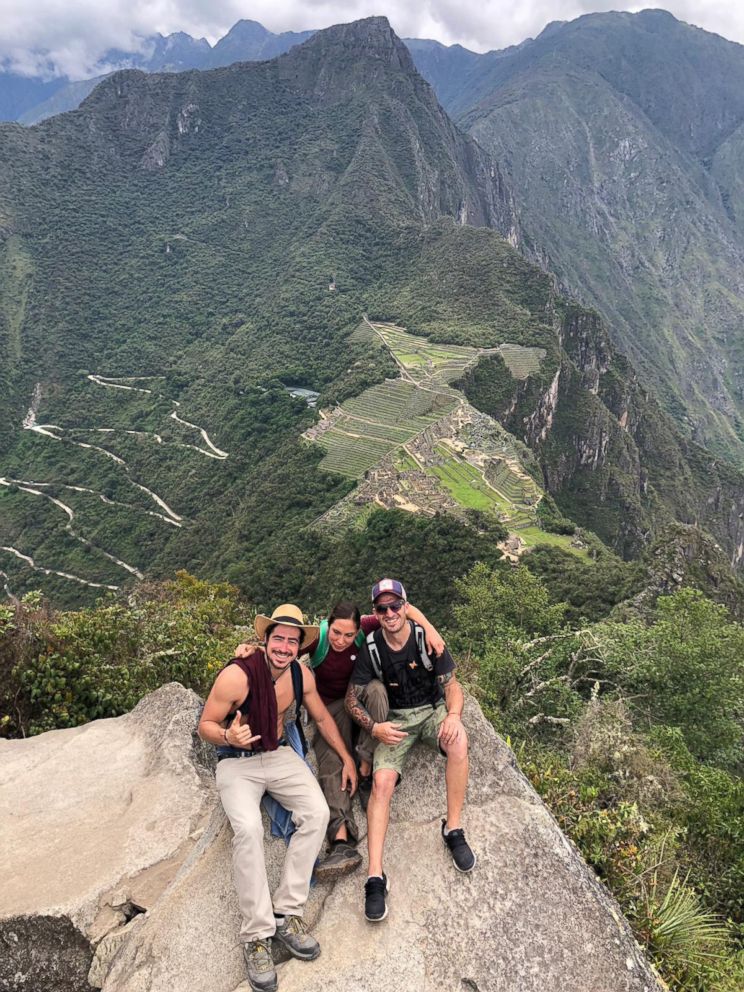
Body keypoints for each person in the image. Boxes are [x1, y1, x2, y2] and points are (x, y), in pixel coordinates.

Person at [198, 604, 357, 992]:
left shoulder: (300, 675)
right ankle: (256, 935)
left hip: (279, 752)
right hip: (237, 762)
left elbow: (321, 717)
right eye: (278, 639)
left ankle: (287, 912)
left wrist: (347, 757)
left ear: (299, 646)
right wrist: (227, 737)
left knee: (317, 813)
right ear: (264, 640)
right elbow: (205, 724)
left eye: (291, 640)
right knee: (249, 829)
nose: (284, 647)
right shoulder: (237, 676)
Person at [235, 599, 444, 881]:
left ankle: (366, 765)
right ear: (327, 626)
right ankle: (341, 840)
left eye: (348, 635)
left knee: (378, 691)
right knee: (332, 761)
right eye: (336, 632)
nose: (341, 640)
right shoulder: (319, 640)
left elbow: (405, 609)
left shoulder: (365, 627)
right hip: (329, 708)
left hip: (362, 703)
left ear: (358, 629)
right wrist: (254, 650)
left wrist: (430, 629)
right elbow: (284, 648)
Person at [345, 578, 475, 923]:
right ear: (375, 613)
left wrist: (454, 715)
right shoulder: (372, 647)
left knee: (458, 742)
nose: (389, 613)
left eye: (395, 606)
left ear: (406, 606)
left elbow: (452, 685)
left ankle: (454, 828)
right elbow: (351, 699)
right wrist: (374, 728)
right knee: (384, 783)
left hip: (432, 710)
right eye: (382, 608)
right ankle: (375, 876)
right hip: (396, 722)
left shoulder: (425, 639)